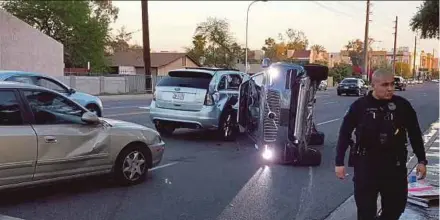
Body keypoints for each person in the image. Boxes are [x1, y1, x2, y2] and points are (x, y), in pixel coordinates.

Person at [334, 69, 428, 220]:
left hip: (394, 166)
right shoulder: (359, 107)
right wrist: (339, 162)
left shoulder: (402, 106)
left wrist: (422, 160)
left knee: (396, 207)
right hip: (366, 166)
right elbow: (344, 134)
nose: (390, 88)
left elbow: (415, 134)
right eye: (385, 85)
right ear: (373, 85)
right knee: (366, 211)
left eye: (392, 84)